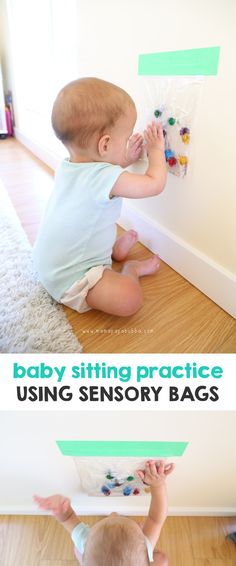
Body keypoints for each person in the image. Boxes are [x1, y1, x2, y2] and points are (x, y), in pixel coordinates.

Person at [33, 77, 167, 316]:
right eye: (125, 139)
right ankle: (130, 269)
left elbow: (103, 175)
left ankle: (114, 252)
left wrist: (125, 158)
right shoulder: (104, 178)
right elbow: (153, 184)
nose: (128, 142)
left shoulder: (68, 166)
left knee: (94, 231)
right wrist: (156, 150)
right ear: (104, 145)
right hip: (72, 279)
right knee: (130, 300)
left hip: (48, 265)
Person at [34, 459, 174, 565]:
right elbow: (156, 518)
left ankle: (83, 558)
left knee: (78, 550)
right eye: (137, 526)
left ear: (88, 537)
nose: (114, 513)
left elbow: (67, 518)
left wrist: (62, 511)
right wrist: (158, 485)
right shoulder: (145, 545)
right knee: (162, 560)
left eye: (108, 519)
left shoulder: (86, 542)